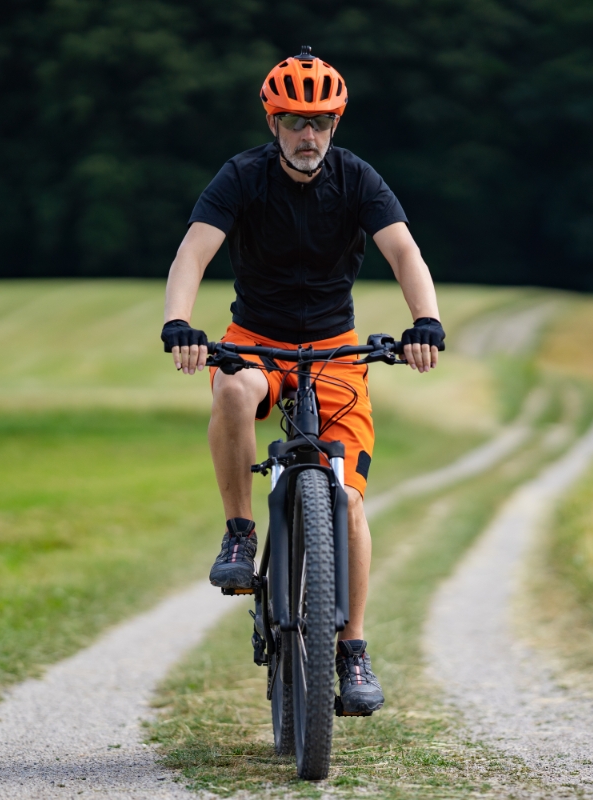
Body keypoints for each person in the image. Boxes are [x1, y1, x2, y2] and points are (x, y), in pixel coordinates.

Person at [160, 46, 445, 715]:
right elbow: (192, 251)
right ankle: (239, 531)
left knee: (345, 500)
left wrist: (425, 321)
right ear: (274, 123)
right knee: (233, 390)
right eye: (294, 120)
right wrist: (179, 321)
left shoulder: (357, 179)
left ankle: (353, 651)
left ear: (335, 123)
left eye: (319, 121)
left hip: (335, 351)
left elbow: (404, 250)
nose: (307, 134)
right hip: (256, 342)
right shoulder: (241, 177)